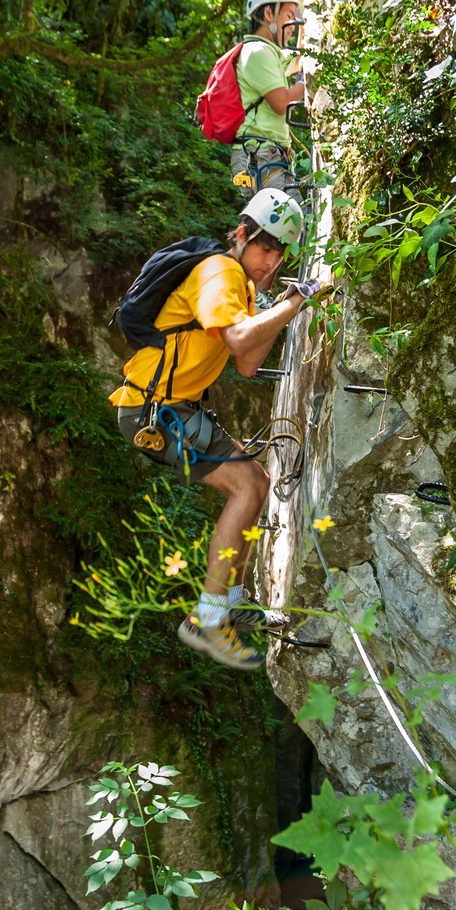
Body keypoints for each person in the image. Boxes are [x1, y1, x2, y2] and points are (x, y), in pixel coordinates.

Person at [109, 189, 321, 671]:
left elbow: (246, 362)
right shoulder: (220, 272)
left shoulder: (243, 287)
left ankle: (233, 601)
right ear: (242, 236)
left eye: (280, 252)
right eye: (265, 247)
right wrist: (297, 301)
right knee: (246, 487)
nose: (271, 261)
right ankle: (207, 619)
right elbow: (241, 337)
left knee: (256, 485)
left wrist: (277, 308)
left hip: (167, 408)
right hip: (154, 410)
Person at [230, 0, 306, 207]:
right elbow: (281, 103)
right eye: (288, 16)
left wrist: (305, 20)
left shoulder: (269, 53)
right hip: (260, 156)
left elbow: (300, 60)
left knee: (285, 225)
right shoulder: (258, 53)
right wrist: (307, 84)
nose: (291, 24)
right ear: (268, 14)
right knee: (289, 221)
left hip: (266, 155)